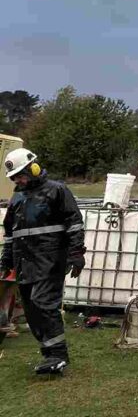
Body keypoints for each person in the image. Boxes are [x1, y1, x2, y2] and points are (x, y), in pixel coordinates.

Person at [0, 148, 85, 375]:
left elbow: (74, 223)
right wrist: (6, 260)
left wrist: (76, 253)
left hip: (51, 259)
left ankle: (58, 354)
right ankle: (50, 355)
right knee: (31, 309)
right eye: (14, 177)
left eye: (20, 174)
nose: (18, 180)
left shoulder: (57, 190)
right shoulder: (17, 198)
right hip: (24, 262)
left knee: (43, 303)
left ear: (33, 168)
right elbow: (10, 234)